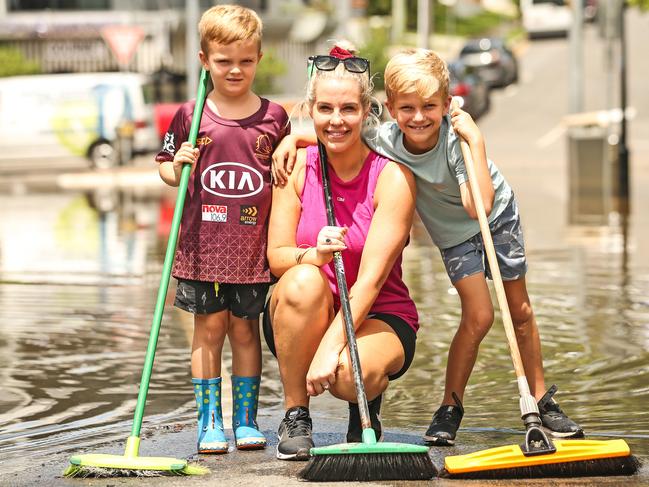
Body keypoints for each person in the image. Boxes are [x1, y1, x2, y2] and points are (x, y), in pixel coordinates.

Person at [272, 48, 583, 447]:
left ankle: (541, 399)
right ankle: (450, 407)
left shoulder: (457, 141)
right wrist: (293, 139)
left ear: (447, 105)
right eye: (407, 108)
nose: (418, 117)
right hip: (453, 236)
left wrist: (476, 140)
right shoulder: (384, 137)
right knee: (480, 316)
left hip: (494, 217)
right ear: (389, 109)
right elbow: (335, 129)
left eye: (429, 107)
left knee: (518, 311)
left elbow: (479, 207)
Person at [264, 44, 418, 460]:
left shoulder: (394, 179)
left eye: (349, 109)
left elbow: (369, 282)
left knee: (350, 377)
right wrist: (312, 255)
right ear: (310, 110)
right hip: (306, 310)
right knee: (301, 280)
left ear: (368, 111)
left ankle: (363, 408)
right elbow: (277, 256)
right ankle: (297, 414)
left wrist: (332, 350)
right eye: (326, 109)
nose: (336, 120)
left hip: (378, 313)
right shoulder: (296, 165)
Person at [155, 4, 289, 454]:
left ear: (259, 59)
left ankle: (246, 421)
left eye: (245, 61)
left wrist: (296, 143)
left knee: (246, 332)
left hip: (251, 249)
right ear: (204, 60)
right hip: (201, 248)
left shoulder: (274, 117)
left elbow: (292, 161)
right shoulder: (191, 115)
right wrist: (178, 165)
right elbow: (167, 174)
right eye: (223, 60)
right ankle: (210, 421)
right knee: (207, 330)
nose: (235, 69)